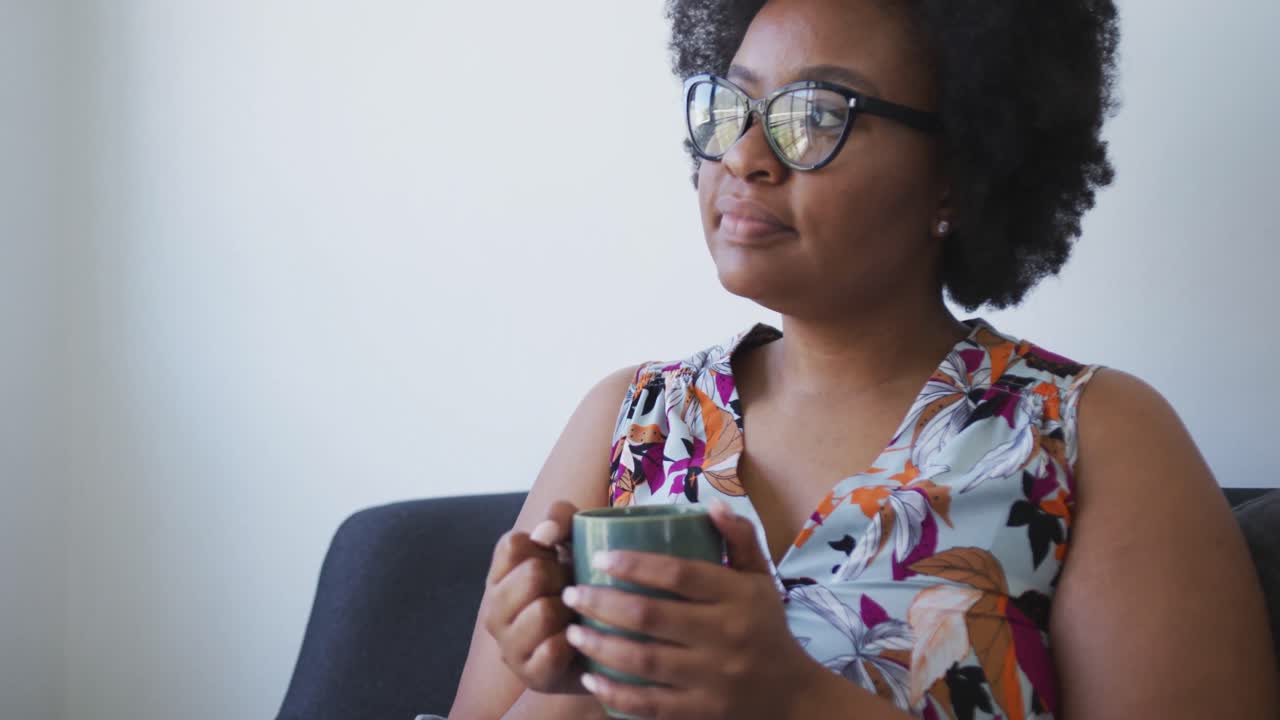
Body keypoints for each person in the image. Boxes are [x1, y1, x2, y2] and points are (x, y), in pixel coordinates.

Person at [450, 0, 1279, 717]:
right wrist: (576, 677)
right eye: (733, 105)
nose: (743, 156)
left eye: (813, 114)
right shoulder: (630, 422)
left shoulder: (1091, 437)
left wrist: (796, 701)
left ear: (955, 173)